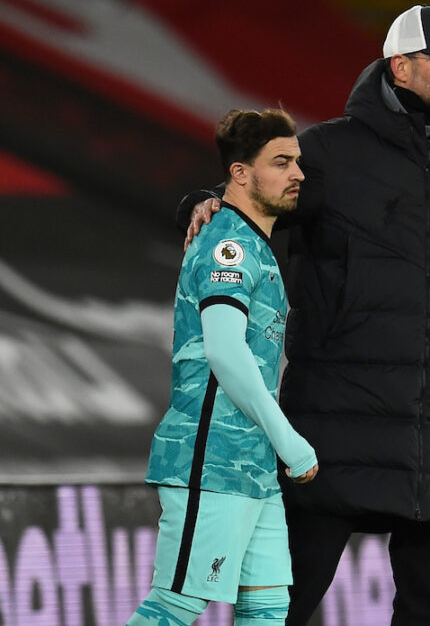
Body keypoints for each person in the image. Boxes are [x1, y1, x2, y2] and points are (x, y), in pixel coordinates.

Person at [178, 5, 430, 626]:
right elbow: (256, 202)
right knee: (279, 606)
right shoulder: (325, 153)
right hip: (335, 425)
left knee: (427, 609)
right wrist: (212, 203)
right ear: (400, 67)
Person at [128, 108, 318, 626]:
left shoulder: (253, 245)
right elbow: (224, 351)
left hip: (250, 464)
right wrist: (288, 439)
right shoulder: (227, 245)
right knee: (176, 605)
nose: (297, 174)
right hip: (209, 458)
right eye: (281, 162)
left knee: (267, 608)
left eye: (297, 162)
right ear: (239, 173)